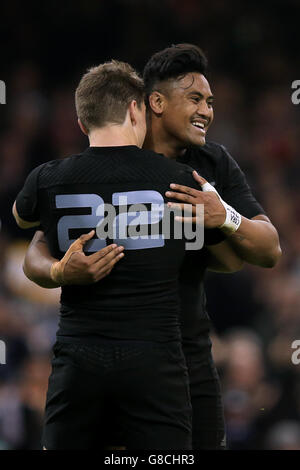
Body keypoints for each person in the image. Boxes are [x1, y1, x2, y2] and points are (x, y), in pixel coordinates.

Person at [22, 44, 282, 449]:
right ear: (154, 102)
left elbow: (269, 250)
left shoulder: (211, 163)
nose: (207, 111)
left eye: (210, 102)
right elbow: (36, 248)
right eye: (195, 98)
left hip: (188, 355)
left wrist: (225, 218)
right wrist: (58, 271)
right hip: (106, 354)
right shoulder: (105, 158)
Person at [13, 59, 216, 450]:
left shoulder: (47, 179)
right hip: (157, 362)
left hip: (78, 361)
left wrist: (58, 268)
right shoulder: (180, 181)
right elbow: (225, 258)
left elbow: (23, 221)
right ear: (136, 109)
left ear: (82, 124)